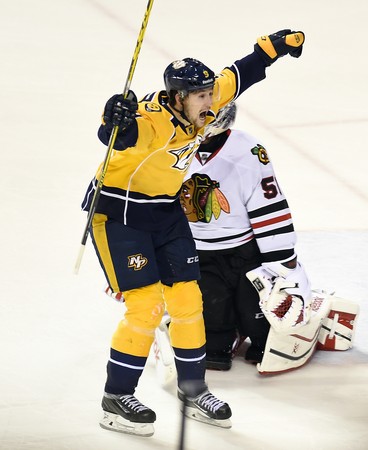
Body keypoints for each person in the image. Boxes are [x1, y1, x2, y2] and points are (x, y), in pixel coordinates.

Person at [81, 29, 305, 437]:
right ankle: (116, 397)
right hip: (120, 215)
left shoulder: (203, 100)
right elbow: (118, 138)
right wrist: (113, 117)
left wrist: (274, 48)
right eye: (202, 96)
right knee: (146, 306)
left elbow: (240, 74)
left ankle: (193, 388)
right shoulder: (148, 122)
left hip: (165, 211)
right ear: (179, 97)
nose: (211, 102)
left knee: (188, 300)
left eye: (209, 94)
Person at [179, 101, 312, 371]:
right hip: (198, 254)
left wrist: (285, 263)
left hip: (245, 254)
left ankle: (254, 332)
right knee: (213, 330)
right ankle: (223, 335)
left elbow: (269, 207)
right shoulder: (171, 149)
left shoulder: (248, 151)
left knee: (261, 320)